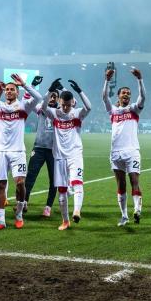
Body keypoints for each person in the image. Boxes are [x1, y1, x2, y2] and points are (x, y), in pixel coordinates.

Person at [0, 71, 42, 230]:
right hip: (1, 152)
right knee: (0, 186)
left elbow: (39, 98)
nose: (9, 91)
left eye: (12, 89)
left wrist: (25, 85)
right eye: (7, 89)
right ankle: (1, 221)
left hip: (18, 152)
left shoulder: (24, 106)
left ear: (17, 92)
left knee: (20, 184)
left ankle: (19, 215)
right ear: (4, 92)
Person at [43, 82, 92, 230]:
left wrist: (80, 91)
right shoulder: (54, 113)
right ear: (59, 102)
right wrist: (49, 90)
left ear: (72, 103)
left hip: (75, 154)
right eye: (63, 105)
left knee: (77, 182)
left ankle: (77, 211)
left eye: (68, 105)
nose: (65, 108)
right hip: (59, 157)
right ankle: (65, 221)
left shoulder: (76, 114)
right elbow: (43, 107)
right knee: (62, 191)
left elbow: (88, 107)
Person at [103, 68, 146, 227]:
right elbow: (104, 97)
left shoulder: (134, 109)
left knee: (134, 179)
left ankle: (137, 210)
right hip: (115, 153)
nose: (127, 94)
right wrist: (106, 80)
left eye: (129, 93)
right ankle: (124, 216)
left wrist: (139, 80)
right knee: (121, 184)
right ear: (119, 96)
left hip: (132, 151)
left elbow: (143, 97)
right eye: (124, 93)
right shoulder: (112, 111)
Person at [24, 77, 62, 217]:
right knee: (30, 176)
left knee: (54, 180)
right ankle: (24, 201)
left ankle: (48, 207)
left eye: (55, 96)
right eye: (51, 95)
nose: (52, 98)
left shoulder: (61, 112)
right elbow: (26, 101)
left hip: (54, 151)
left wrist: (62, 90)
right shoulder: (41, 109)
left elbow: (72, 101)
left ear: (59, 100)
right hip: (39, 148)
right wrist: (33, 85)